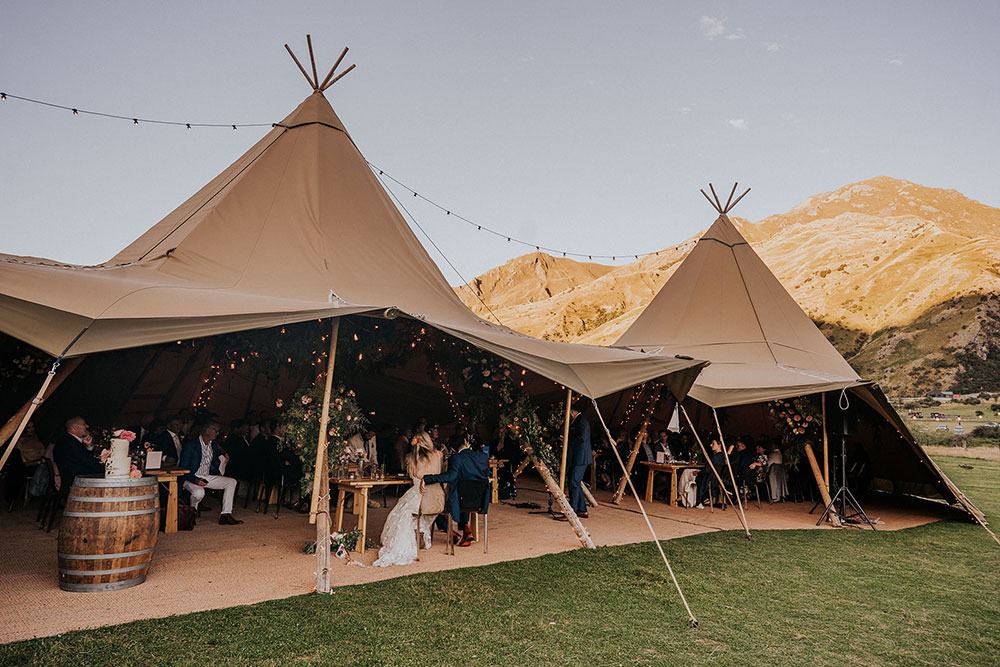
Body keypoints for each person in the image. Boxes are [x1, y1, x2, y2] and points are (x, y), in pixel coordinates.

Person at [372, 432, 445, 567]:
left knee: (400, 513)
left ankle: (410, 540)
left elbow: (412, 477)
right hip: (436, 497)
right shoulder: (438, 454)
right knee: (408, 514)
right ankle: (420, 536)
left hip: (419, 495)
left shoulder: (410, 458)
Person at [422, 433, 489, 547]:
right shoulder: (482, 457)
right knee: (464, 494)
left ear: (452, 449)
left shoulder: (456, 458)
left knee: (436, 507)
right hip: (479, 501)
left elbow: (450, 477)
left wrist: (428, 478)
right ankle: (467, 528)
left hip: (462, 502)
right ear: (465, 441)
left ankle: (453, 535)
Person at [180, 420, 243, 525]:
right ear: (207, 430)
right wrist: (195, 480)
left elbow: (218, 451)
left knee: (231, 482)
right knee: (199, 493)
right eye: (216, 431)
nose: (218, 433)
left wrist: (224, 453)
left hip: (206, 476)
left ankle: (226, 515)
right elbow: (183, 468)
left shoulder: (213, 444)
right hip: (190, 477)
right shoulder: (191, 445)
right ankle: (192, 513)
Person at [558, 402, 592, 520]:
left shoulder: (581, 421)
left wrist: (567, 440)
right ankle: (582, 510)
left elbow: (582, 438)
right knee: (574, 483)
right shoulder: (576, 421)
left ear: (571, 412)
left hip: (580, 457)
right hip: (575, 456)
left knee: (573, 482)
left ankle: (571, 512)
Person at [52, 416, 102, 488]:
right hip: (78, 485)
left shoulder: (68, 440)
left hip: (77, 482)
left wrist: (89, 446)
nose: (87, 426)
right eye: (84, 424)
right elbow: (90, 463)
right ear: (75, 427)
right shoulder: (70, 443)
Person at [694, 437, 731, 508]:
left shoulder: (714, 457)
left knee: (687, 473)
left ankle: (691, 499)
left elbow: (707, 470)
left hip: (709, 478)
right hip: (716, 479)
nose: (711, 445)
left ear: (719, 445)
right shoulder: (723, 456)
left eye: (713, 444)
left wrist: (699, 473)